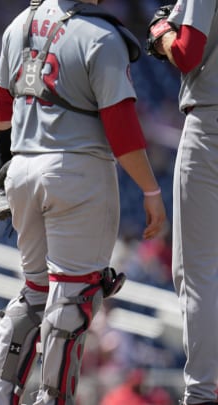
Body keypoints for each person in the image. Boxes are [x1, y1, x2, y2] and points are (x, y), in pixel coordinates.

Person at [0, 1, 166, 404]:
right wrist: (151, 189)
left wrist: (6, 164)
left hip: (22, 169)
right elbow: (121, 126)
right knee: (72, 298)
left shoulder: (21, 22)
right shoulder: (101, 34)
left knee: (34, 291)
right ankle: (52, 398)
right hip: (77, 171)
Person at [147, 2, 218, 404]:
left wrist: (162, 31)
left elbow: (186, 53)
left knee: (196, 272)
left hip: (212, 124)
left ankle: (201, 395)